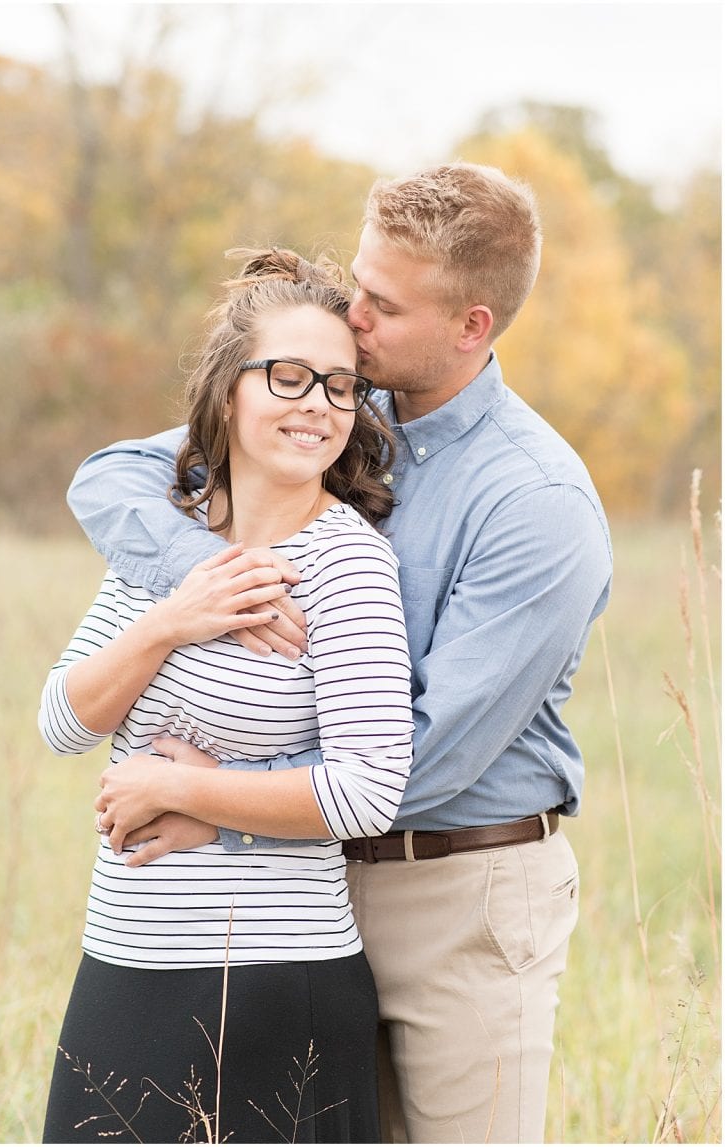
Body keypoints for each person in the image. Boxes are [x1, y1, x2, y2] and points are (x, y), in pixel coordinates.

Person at [66, 163, 613, 1144]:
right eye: (358, 283)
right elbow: (112, 479)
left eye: (383, 305)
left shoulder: (537, 507)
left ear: (472, 326)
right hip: (310, 893)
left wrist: (209, 797)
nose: (351, 318)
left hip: (456, 894)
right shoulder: (337, 417)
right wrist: (211, 576)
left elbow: (424, 758)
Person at [38, 247, 414, 1145]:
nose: (317, 403)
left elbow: (368, 789)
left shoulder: (348, 564)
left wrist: (181, 790)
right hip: (124, 959)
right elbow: (60, 720)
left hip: (271, 977)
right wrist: (177, 616)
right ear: (227, 392)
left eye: (340, 385)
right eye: (289, 376)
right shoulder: (173, 539)